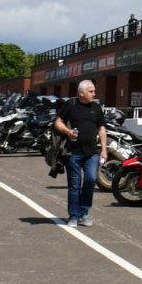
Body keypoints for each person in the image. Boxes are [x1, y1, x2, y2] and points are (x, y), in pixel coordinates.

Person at [52, 80, 107, 227]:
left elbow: (101, 129)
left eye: (94, 91)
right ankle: (74, 216)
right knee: (74, 185)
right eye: (91, 91)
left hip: (92, 153)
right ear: (81, 93)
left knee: (91, 179)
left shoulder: (96, 107)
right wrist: (67, 131)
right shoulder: (70, 104)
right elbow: (58, 122)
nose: (94, 94)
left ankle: (84, 212)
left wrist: (104, 150)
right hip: (73, 152)